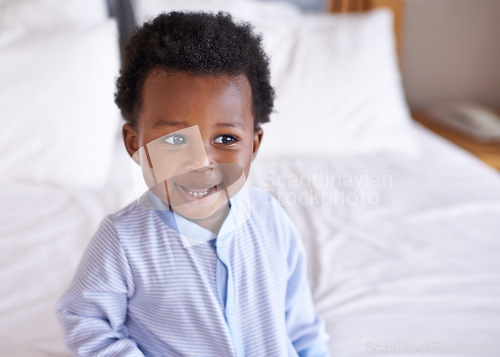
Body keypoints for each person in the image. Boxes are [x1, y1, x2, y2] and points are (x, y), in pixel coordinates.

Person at [56, 11, 330, 356]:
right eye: (174, 140)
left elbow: (302, 327)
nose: (200, 162)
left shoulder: (272, 221)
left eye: (227, 139)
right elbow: (85, 320)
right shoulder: (122, 243)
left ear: (254, 147)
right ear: (135, 145)